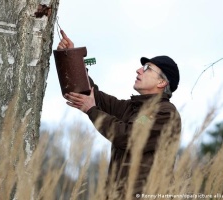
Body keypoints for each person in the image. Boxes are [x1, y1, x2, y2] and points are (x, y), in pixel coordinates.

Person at [57, 30, 181, 198]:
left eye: (147, 69)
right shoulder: (131, 108)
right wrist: (72, 58)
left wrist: (91, 111)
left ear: (162, 82)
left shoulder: (165, 113)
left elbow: (129, 136)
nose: (138, 70)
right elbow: (92, 95)